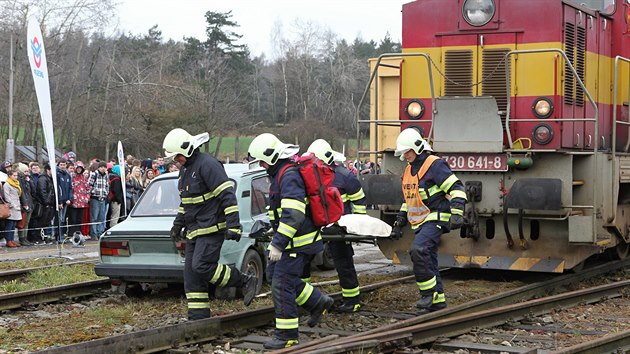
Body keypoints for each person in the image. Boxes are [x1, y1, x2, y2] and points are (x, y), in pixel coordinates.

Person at [248, 133, 334, 350]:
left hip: (297, 244)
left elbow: (294, 214)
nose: (261, 165)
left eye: (262, 161)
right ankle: (318, 302)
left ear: (272, 157)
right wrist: (270, 229)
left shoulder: (288, 176)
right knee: (279, 277)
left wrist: (278, 243)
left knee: (282, 284)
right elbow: (280, 211)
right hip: (291, 241)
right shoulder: (280, 174)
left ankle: (287, 335)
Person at [162, 128, 257, 321]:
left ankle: (244, 280)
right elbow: (186, 202)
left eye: (177, 156)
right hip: (194, 231)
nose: (176, 160)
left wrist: (233, 224)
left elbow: (227, 195)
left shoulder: (208, 165)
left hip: (211, 228)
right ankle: (199, 319)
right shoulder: (186, 170)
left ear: (187, 149)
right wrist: (177, 225)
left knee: (202, 266)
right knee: (191, 277)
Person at [392, 128, 467, 315]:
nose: (405, 155)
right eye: (403, 152)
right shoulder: (409, 169)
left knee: (419, 250)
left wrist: (457, 211)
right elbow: (409, 198)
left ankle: (428, 294)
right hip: (421, 220)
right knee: (429, 258)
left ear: (417, 148)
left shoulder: (434, 164)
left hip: (436, 217)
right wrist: (400, 219)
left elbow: (456, 187)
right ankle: (438, 300)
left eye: (407, 151)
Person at [307, 139, 367, 313]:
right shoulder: (311, 175)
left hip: (341, 227)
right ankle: (306, 299)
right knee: (305, 261)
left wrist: (357, 225)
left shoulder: (344, 176)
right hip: (319, 225)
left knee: (343, 262)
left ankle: (352, 300)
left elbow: (359, 200)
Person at [88, 161, 109, 240]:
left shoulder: (106, 176)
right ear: (99, 167)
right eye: (101, 167)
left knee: (101, 217)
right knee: (94, 217)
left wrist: (106, 193)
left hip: (102, 198)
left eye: (104, 167)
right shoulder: (94, 174)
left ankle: (100, 232)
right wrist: (93, 192)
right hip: (95, 198)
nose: (103, 168)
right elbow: (89, 185)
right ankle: (94, 233)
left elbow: (107, 186)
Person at [68, 161, 90, 238]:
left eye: (80, 168)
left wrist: (87, 198)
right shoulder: (71, 177)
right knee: (72, 219)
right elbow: (69, 188)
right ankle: (71, 234)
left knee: (79, 219)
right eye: (78, 168)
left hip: (82, 202)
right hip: (73, 202)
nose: (79, 170)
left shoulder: (84, 178)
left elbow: (88, 189)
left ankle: (78, 234)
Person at [3, 171, 23, 247]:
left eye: (16, 175)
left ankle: (12, 239)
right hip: (11, 207)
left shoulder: (16, 183)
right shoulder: (7, 184)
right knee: (10, 223)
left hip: (17, 205)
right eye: (14, 175)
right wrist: (12, 205)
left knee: (14, 224)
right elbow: (7, 196)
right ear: (10, 176)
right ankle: (8, 240)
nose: (16, 177)